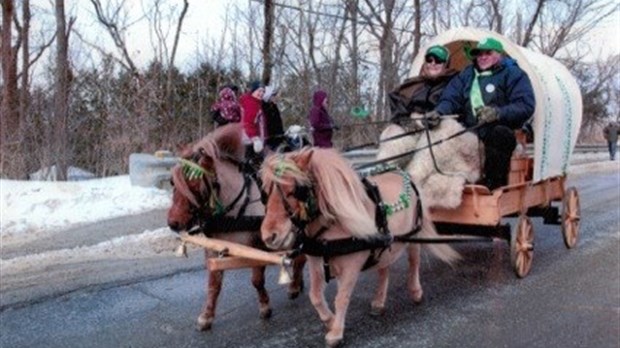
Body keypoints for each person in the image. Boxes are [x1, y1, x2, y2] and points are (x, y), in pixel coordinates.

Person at [427, 37, 535, 190]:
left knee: (500, 134)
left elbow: (525, 105)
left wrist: (497, 113)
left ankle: (493, 184)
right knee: (445, 134)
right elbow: (450, 98)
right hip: (471, 130)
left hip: (501, 132)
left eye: (488, 53)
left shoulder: (514, 74)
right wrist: (439, 112)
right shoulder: (466, 75)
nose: (482, 57)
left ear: (499, 54)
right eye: (479, 54)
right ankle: (448, 184)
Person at [389, 45, 457, 125]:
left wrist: (438, 114)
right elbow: (396, 101)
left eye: (438, 61)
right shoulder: (412, 84)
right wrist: (405, 119)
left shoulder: (455, 83)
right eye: (429, 60)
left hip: (442, 125)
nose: (433, 63)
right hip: (413, 127)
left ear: (446, 65)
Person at [239, 81, 266, 156]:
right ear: (253, 91)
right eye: (259, 91)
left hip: (250, 140)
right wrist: (255, 138)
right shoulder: (251, 104)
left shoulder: (255, 102)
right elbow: (248, 122)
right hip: (249, 141)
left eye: (263, 91)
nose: (261, 93)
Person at [262, 86, 286, 151]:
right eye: (274, 96)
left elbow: (278, 121)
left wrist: (281, 134)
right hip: (270, 139)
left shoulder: (274, 106)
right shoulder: (264, 107)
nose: (276, 97)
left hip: (277, 138)